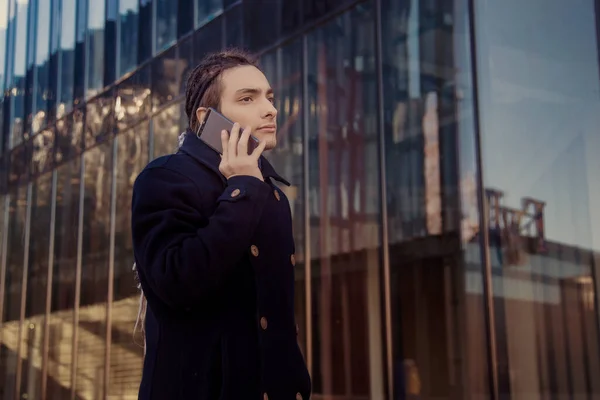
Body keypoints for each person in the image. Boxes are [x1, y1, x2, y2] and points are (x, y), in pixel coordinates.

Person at [131, 48, 311, 400]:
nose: (270, 109)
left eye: (269, 97)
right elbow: (177, 281)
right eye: (248, 98)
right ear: (206, 116)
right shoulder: (165, 178)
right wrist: (241, 187)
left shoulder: (272, 195)